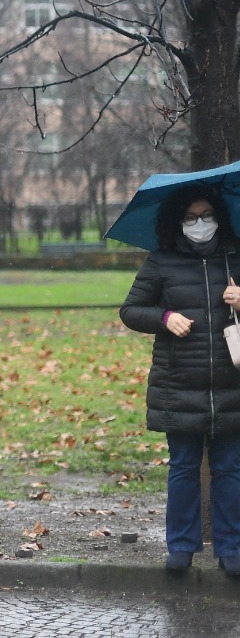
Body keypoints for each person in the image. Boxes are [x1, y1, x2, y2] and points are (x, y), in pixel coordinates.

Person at [119, 187, 240, 576]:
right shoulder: (162, 260)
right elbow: (131, 310)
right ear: (178, 221)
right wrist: (165, 317)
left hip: (232, 383)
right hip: (178, 383)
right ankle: (182, 547)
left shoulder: (236, 256)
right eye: (190, 217)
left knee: (230, 469)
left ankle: (232, 548)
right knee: (184, 467)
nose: (200, 223)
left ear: (219, 217)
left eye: (206, 215)